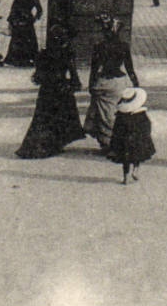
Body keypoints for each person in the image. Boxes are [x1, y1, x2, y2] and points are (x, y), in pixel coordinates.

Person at [15, 26, 86, 159]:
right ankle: (55, 143)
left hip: (46, 89)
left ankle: (39, 146)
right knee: (61, 115)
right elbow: (74, 77)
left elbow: (37, 76)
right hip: (61, 88)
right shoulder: (67, 54)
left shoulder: (44, 54)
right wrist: (73, 84)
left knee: (42, 117)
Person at [87, 16, 139, 151]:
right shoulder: (124, 47)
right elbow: (130, 69)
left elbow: (94, 69)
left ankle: (106, 142)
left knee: (104, 114)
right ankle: (119, 142)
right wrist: (136, 84)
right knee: (118, 112)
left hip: (103, 82)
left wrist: (91, 84)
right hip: (119, 84)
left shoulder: (99, 47)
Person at [107, 86, 156, 184]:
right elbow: (147, 126)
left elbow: (116, 129)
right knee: (137, 156)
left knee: (125, 159)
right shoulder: (141, 114)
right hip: (138, 139)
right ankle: (135, 170)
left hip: (125, 140)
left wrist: (116, 140)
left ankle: (126, 176)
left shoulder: (121, 115)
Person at [3, 0, 44, 67]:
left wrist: (11, 21)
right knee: (30, 40)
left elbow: (13, 10)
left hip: (18, 21)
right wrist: (35, 17)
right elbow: (39, 9)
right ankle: (29, 58)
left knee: (17, 40)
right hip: (28, 21)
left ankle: (16, 59)